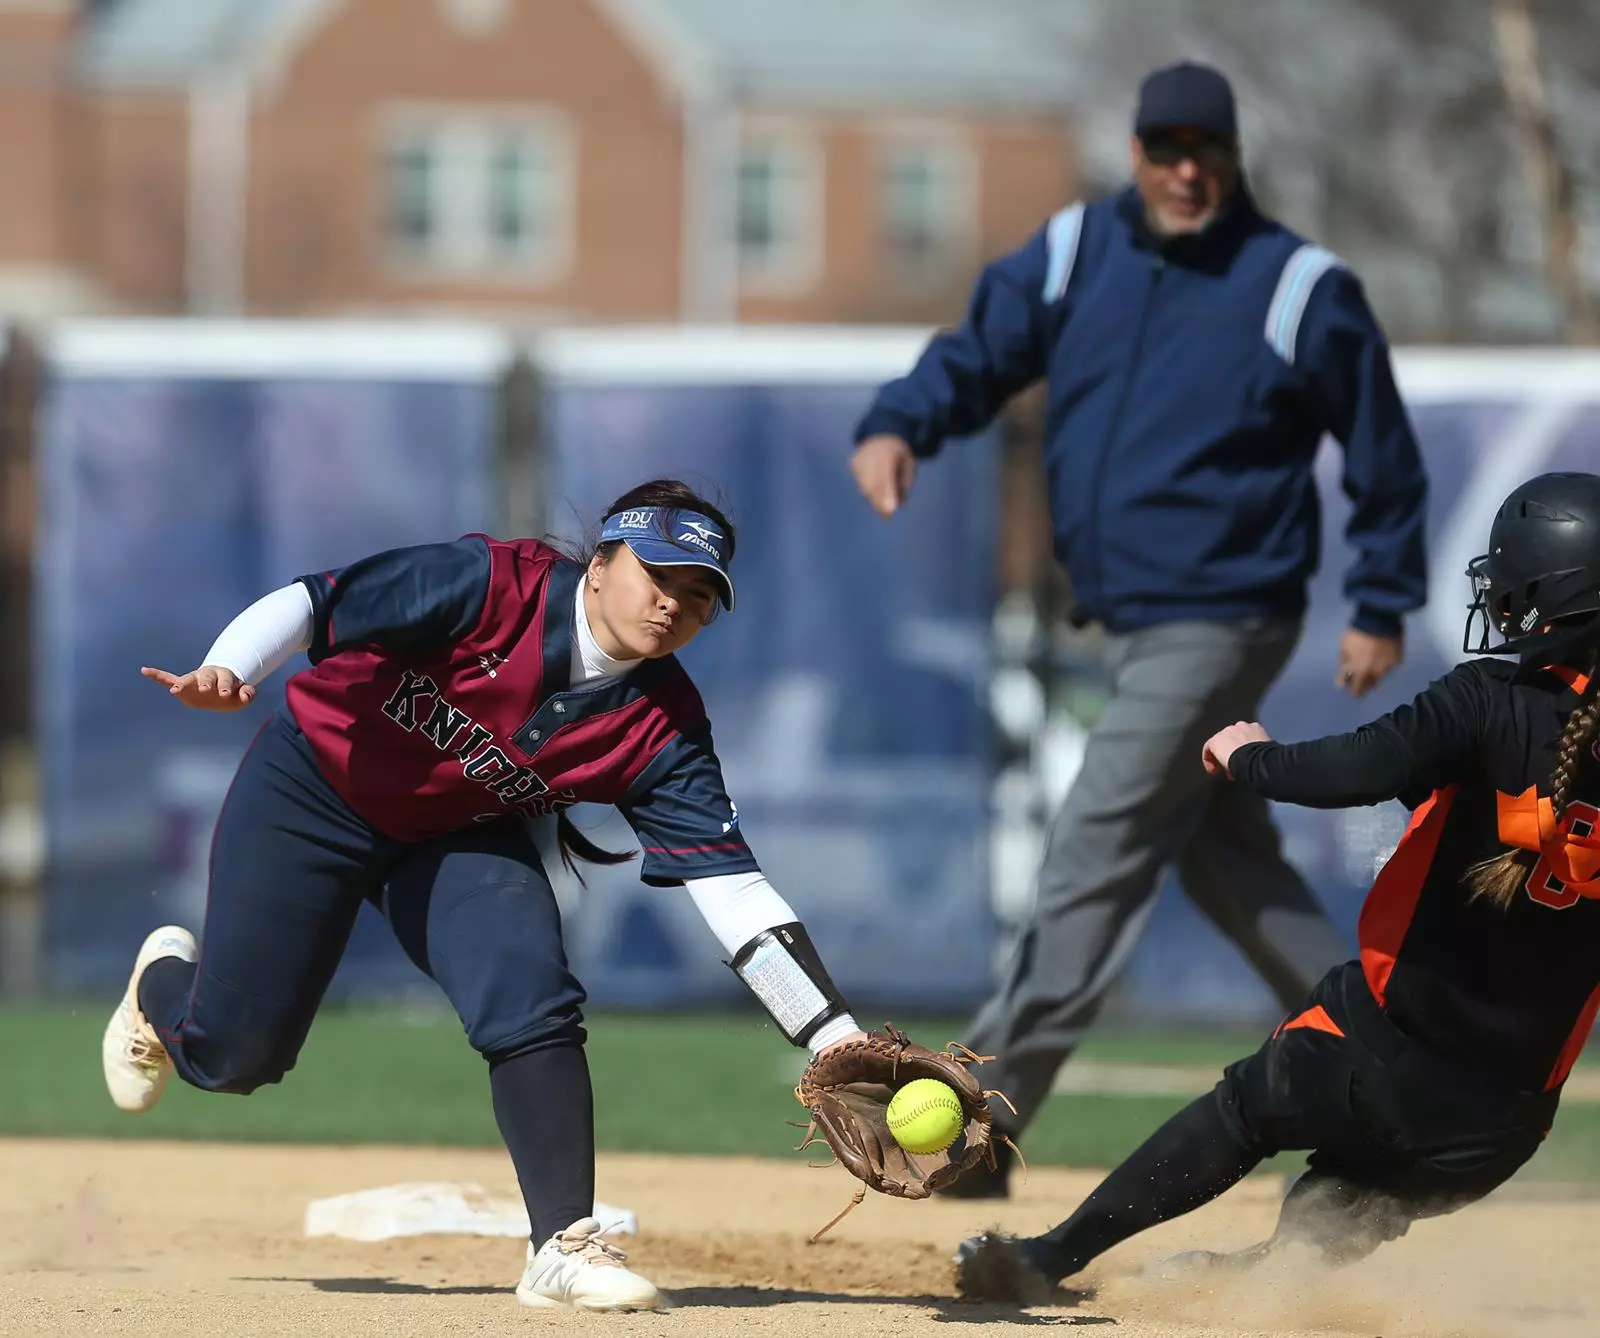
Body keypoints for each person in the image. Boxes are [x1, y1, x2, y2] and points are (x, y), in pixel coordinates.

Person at [849, 59, 1429, 1194]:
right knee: (1224, 860)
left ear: (1231, 155)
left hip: (1222, 620)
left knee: (1091, 853)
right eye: (1163, 148)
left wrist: (1379, 600)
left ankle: (977, 1124)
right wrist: (900, 420)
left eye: (1202, 149)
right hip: (1132, 624)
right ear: (1133, 152)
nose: (1183, 168)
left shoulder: (1294, 285)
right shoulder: (1073, 255)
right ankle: (1401, 1060)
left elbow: (1380, 450)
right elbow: (978, 353)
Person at [102, 477, 882, 1313]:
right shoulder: (492, 586)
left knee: (531, 990)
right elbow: (314, 602)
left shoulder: (664, 726)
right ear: (600, 564)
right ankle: (158, 993)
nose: (670, 605)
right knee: (234, 1057)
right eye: (656, 575)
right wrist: (229, 663)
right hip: (316, 788)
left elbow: (732, 891)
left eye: (697, 597)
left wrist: (834, 1038)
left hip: (455, 834)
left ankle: (563, 1244)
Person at [954, 471, 1600, 1298]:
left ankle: (1050, 1257)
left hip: (1386, 1053)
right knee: (1343, 1196)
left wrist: (1248, 756)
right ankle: (1247, 1281)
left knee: (1246, 1108)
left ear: (1548, 592)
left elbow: (1352, 769)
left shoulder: (1492, 699)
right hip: (1499, 1132)